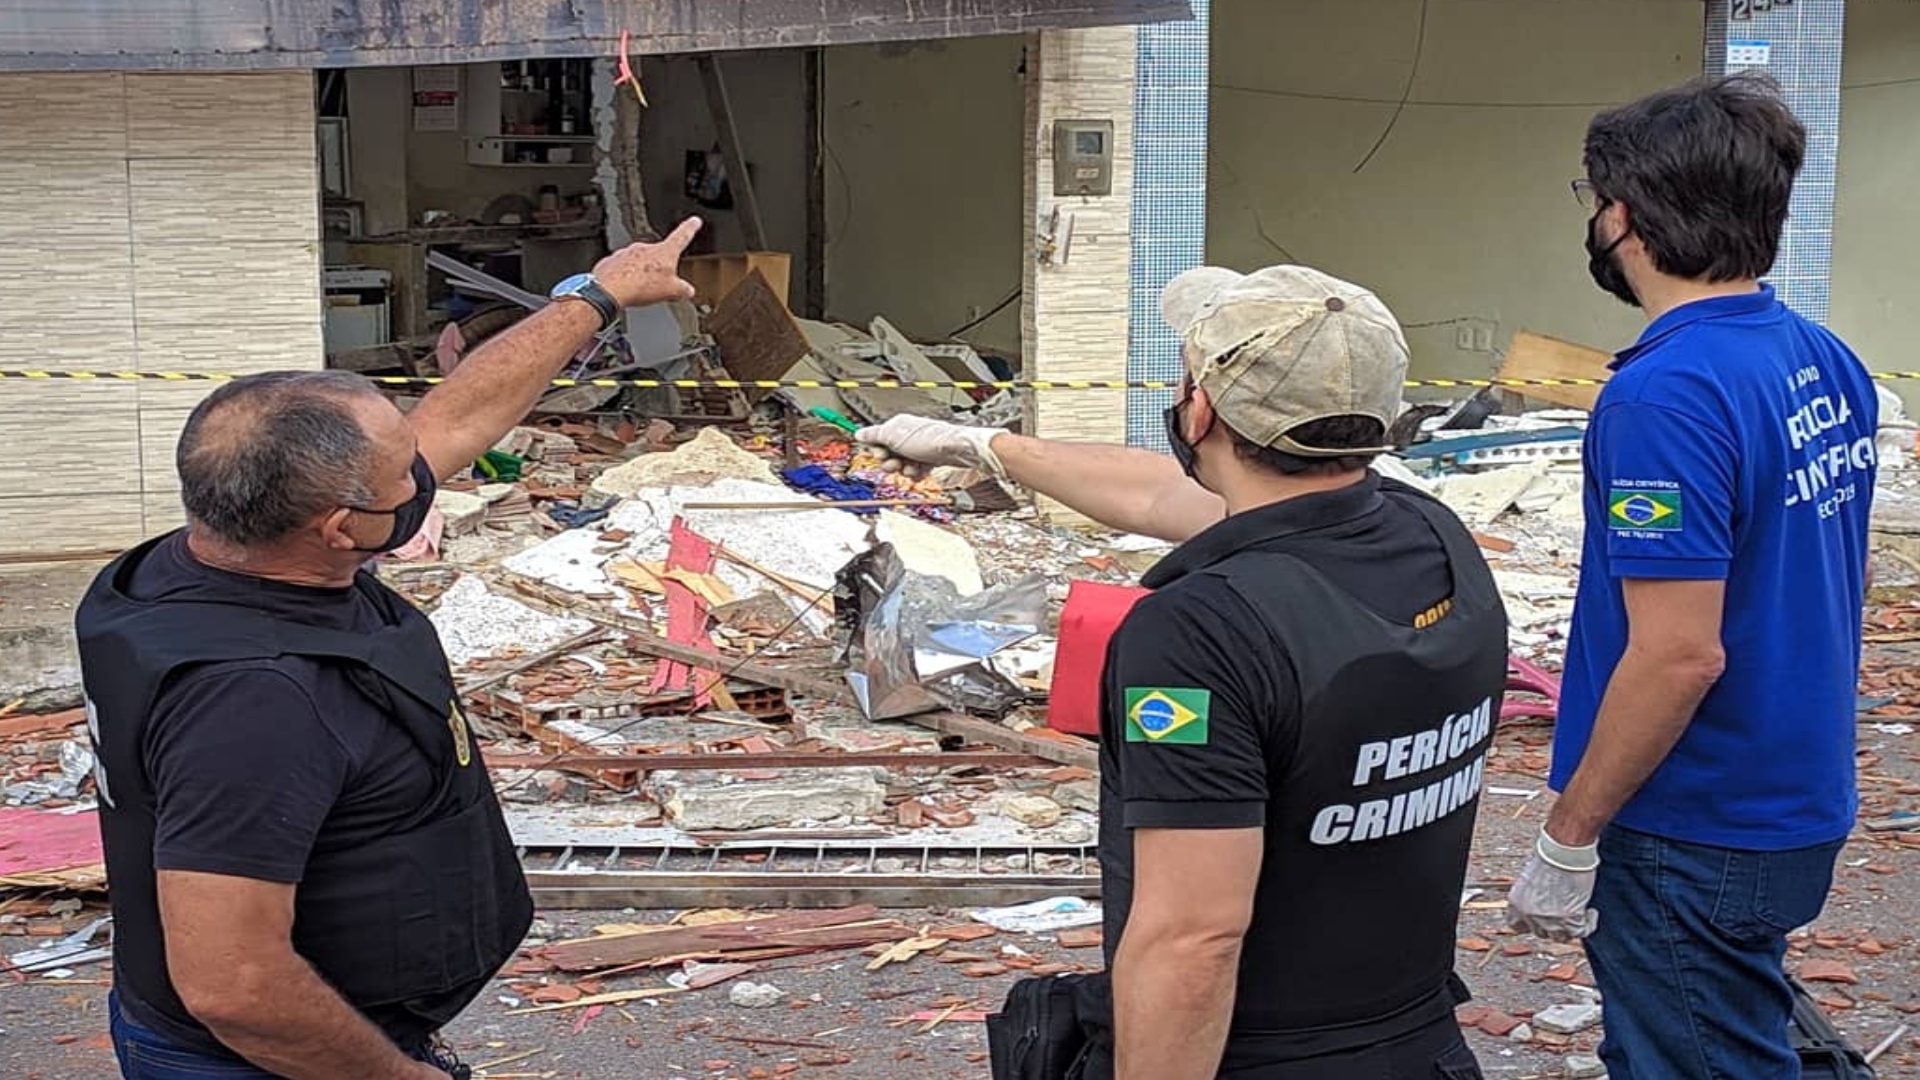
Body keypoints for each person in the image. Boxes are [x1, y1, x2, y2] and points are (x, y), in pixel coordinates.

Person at [76, 218, 704, 1080]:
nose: (425, 476)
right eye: (403, 479)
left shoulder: (201, 557)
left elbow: (456, 415)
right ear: (340, 529)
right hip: (264, 1061)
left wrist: (597, 294)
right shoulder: (255, 702)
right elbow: (233, 985)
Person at [860, 266, 1508, 1079]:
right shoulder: (1428, 534)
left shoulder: (1201, 630)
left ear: (1199, 407)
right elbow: (1169, 498)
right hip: (1417, 1045)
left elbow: (1193, 939)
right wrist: (986, 444)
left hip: (1254, 1056)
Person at [1503, 73, 1879, 1079]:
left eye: (1590, 201)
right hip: (1790, 790)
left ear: (1623, 216)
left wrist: (1569, 835)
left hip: (1690, 819)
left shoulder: (1663, 396)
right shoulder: (1822, 356)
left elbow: (1677, 653)